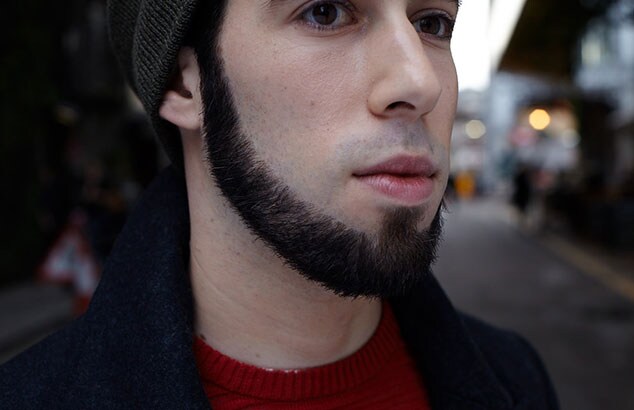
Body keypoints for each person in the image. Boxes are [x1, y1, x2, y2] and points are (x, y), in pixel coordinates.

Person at [0, 1, 559, 408]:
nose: (419, 81)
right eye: (325, 13)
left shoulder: (517, 378)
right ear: (183, 83)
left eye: (432, 24)